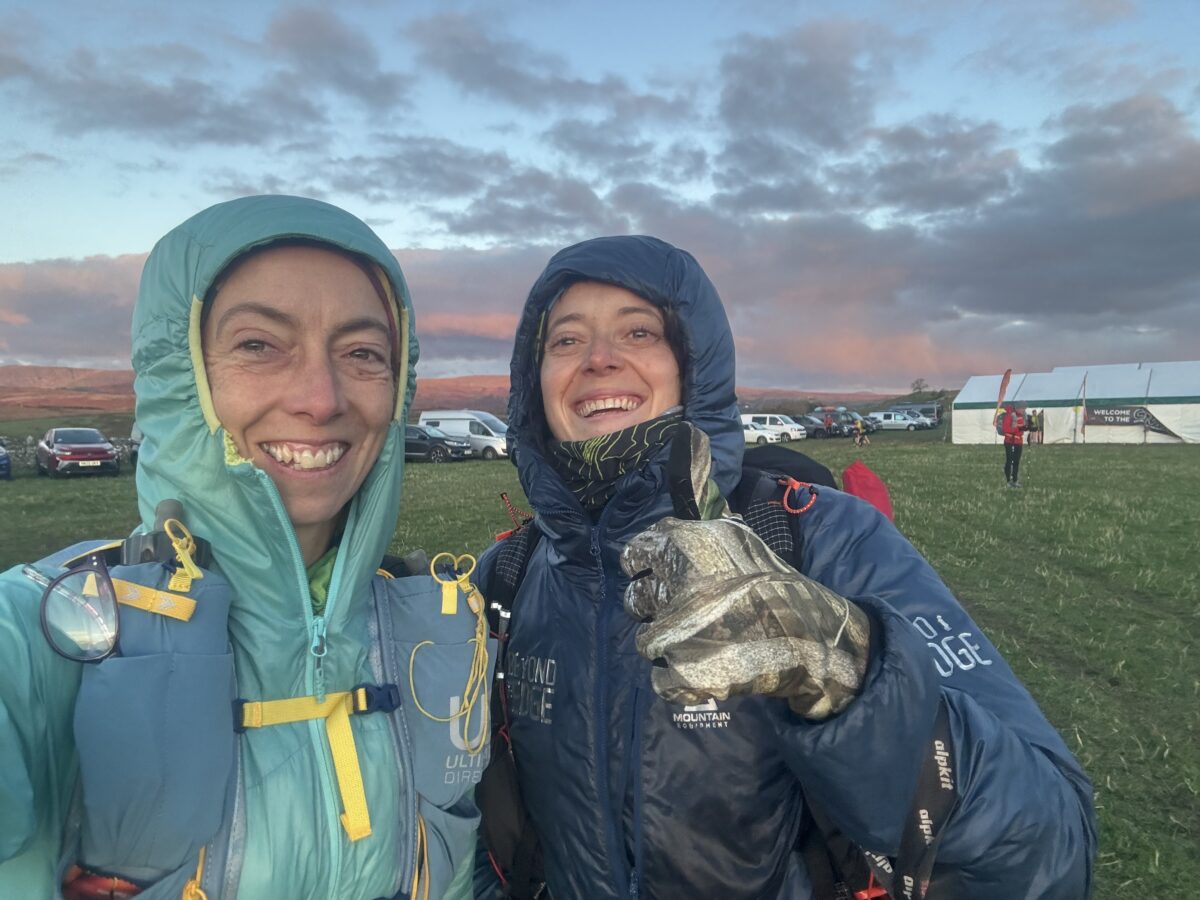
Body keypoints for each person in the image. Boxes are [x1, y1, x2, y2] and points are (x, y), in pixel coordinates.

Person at [473, 236, 1095, 899]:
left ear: (693, 362)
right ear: (531, 382)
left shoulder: (827, 540)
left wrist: (852, 676)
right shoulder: (507, 580)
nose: (600, 359)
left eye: (638, 331)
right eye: (565, 341)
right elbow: (477, 842)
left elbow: (1052, 859)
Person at [0, 196, 482, 899]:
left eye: (362, 352)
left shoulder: (434, 631)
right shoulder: (47, 634)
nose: (321, 398)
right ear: (180, 376)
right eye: (258, 344)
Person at [1001, 403, 1026, 487]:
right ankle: (1008, 481)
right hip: (1010, 441)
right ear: (1018, 408)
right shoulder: (1009, 416)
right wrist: (1015, 430)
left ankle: (1015, 480)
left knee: (1016, 462)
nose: (1024, 410)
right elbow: (1005, 429)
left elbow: (1021, 429)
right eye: (1022, 408)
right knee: (1009, 461)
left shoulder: (1020, 417)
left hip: (1018, 442)